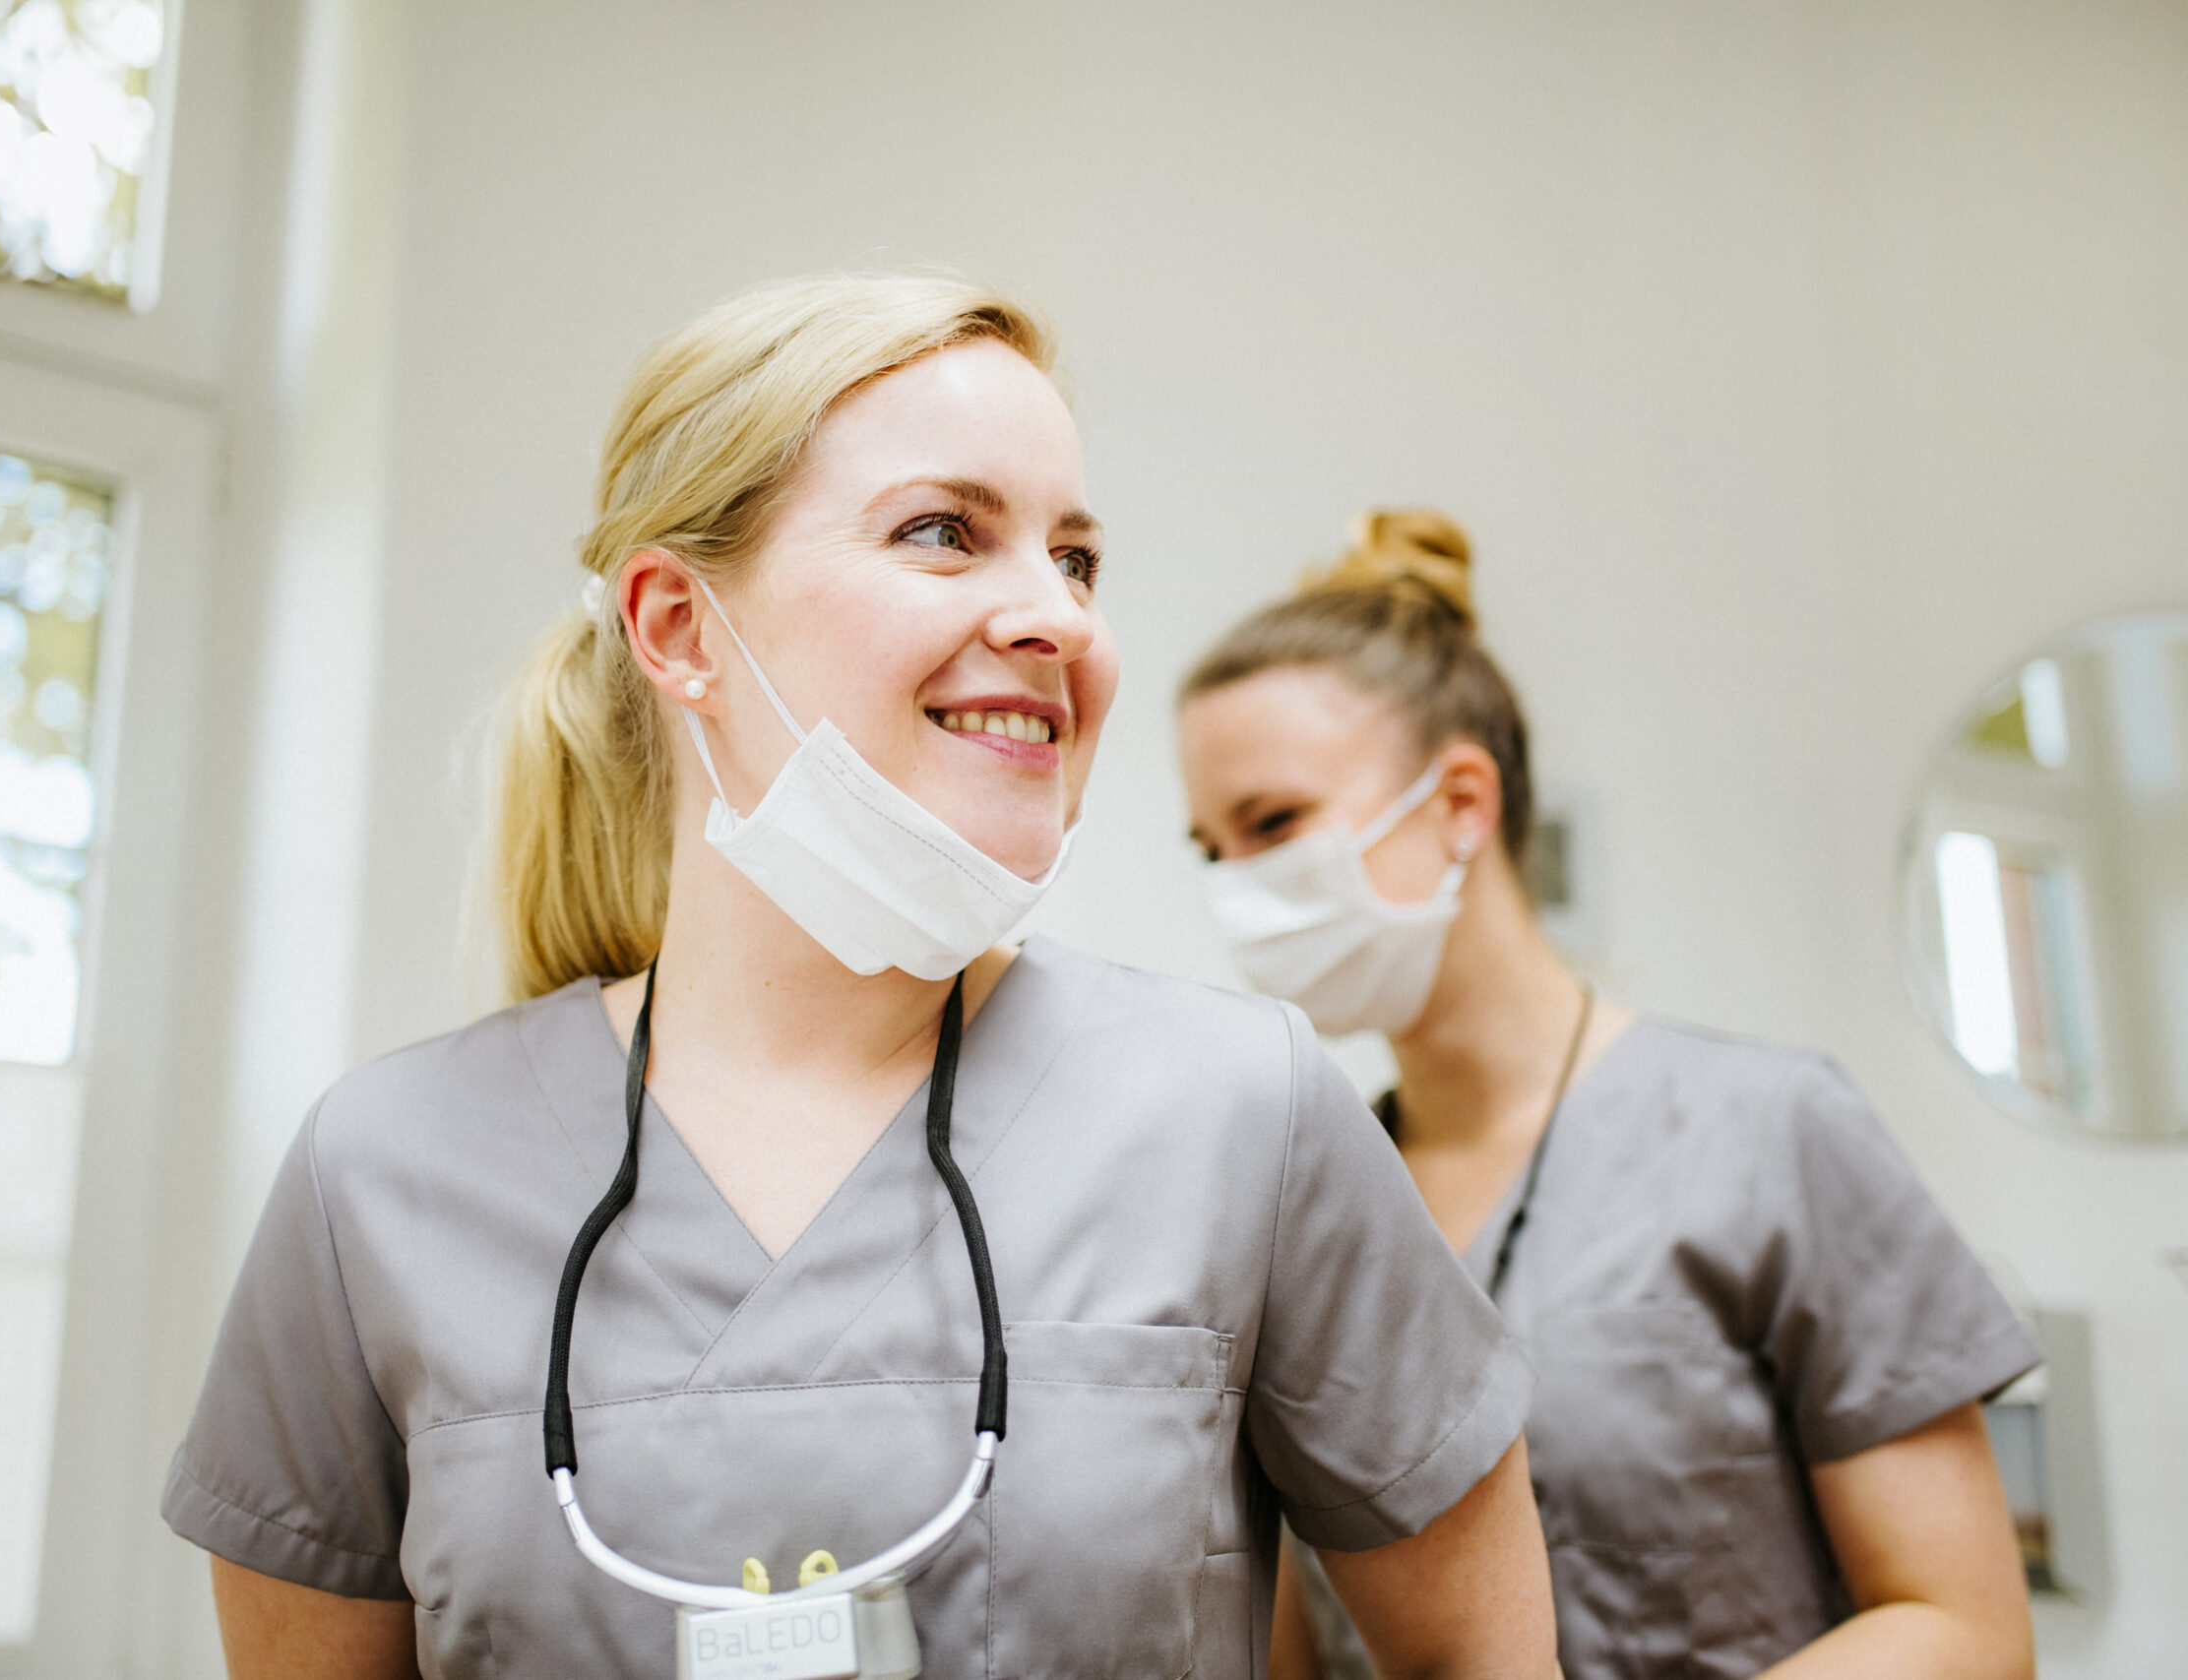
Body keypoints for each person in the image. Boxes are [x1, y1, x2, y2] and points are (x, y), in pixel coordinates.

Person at [161, 280, 1559, 1678]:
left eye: (1077, 559)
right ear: (678, 627)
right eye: (944, 532)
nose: (1059, 618)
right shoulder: (384, 1171)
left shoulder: (1244, 1109)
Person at [1176, 510, 2040, 1680]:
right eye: (1212, 850)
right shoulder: (1300, 1214)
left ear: (1462, 805)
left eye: (1273, 823)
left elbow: (1964, 1631)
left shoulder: (1766, 1133)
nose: (1240, 888)